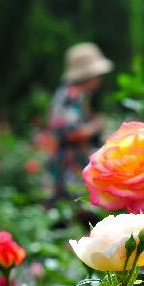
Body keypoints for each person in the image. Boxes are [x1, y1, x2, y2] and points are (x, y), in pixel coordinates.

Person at [47, 42, 112, 200]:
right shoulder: (72, 96)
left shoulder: (73, 95)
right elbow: (70, 132)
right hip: (70, 167)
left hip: (69, 164)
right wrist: (95, 126)